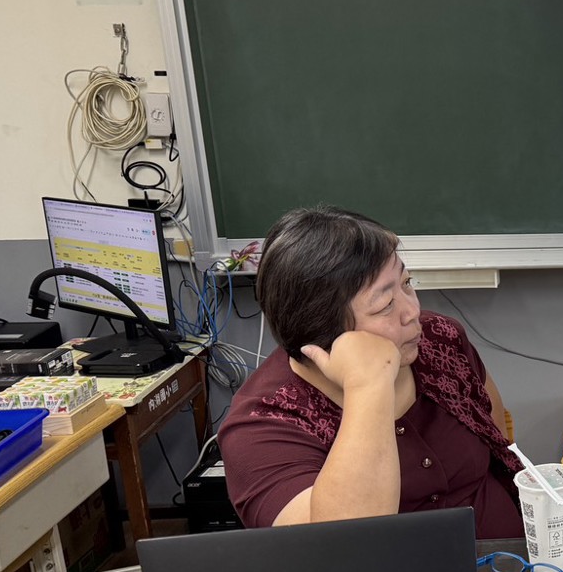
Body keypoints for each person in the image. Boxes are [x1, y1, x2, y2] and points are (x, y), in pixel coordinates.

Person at [219, 205, 522, 535]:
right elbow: (341, 545)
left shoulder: (439, 338)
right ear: (321, 331)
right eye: (385, 305)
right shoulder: (262, 425)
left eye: (407, 283)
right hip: (392, 569)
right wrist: (368, 384)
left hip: (509, 557)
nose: (413, 311)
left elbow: (498, 436)